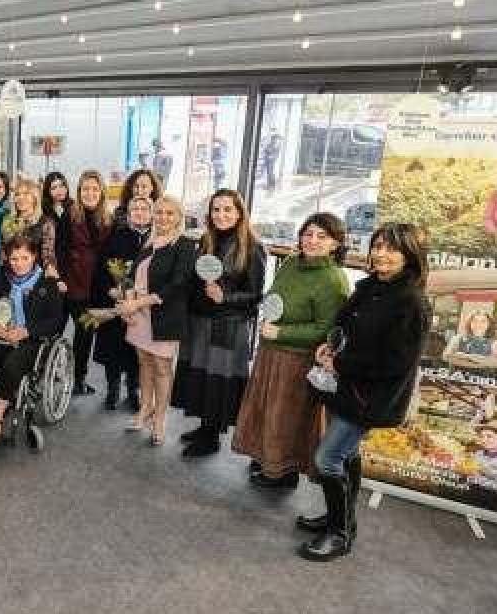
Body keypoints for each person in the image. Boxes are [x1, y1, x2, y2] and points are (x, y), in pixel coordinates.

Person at [299, 222, 431, 562]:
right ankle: (340, 519)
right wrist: (328, 346)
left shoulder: (411, 302)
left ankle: (339, 534)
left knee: (327, 458)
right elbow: (344, 326)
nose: (381, 254)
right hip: (346, 387)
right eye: (377, 246)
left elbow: (396, 363)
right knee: (346, 455)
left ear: (410, 256)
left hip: (370, 397)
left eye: (391, 248)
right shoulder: (369, 286)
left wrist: (341, 364)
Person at [232, 213, 351, 488]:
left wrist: (282, 333)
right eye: (308, 234)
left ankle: (282, 471)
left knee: (284, 417)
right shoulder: (290, 263)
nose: (312, 240)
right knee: (265, 409)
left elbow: (326, 329)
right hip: (270, 352)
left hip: (297, 360)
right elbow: (275, 298)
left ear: (335, 244)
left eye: (322, 236)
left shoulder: (333, 280)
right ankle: (264, 457)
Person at [173, 189, 266, 458]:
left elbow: (255, 295)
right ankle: (205, 427)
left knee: (218, 381)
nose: (221, 215)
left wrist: (225, 297)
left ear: (239, 213)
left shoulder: (253, 247)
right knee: (202, 376)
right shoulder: (206, 240)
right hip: (201, 321)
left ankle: (211, 436)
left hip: (228, 325)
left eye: (227, 209)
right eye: (216, 209)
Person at [0, 235, 64, 444]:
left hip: (28, 339)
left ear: (34, 257)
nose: (19, 264)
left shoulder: (47, 283)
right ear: (7, 259)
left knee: (12, 366)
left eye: (24, 258)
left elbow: (55, 321)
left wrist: (26, 331)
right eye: (14, 259)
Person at [118, 196, 196, 445]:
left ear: (179, 217)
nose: (163, 218)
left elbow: (178, 284)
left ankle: (160, 419)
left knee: (162, 368)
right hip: (140, 315)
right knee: (144, 362)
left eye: (169, 213)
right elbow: (132, 276)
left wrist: (138, 303)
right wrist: (127, 302)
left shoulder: (184, 245)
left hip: (165, 317)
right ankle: (145, 408)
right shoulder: (149, 243)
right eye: (159, 212)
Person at [91, 196, 152, 411]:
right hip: (116, 302)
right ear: (128, 214)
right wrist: (111, 290)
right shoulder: (115, 236)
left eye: (144, 209)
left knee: (137, 351)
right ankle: (112, 388)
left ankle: (133, 390)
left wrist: (141, 297)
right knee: (113, 349)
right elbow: (101, 268)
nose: (139, 212)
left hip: (143, 305)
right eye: (135, 209)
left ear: (151, 213)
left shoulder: (156, 239)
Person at [62, 171, 112, 397]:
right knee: (57, 331)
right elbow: (61, 250)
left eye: (94, 189)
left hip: (95, 287)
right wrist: (61, 280)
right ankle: (49, 372)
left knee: (85, 336)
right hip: (71, 284)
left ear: (101, 192)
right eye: (85, 189)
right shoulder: (70, 215)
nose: (90, 193)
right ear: (79, 191)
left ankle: (78, 379)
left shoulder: (108, 219)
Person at [2, 178, 60, 283]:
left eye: (26, 194)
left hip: (35, 279)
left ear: (35, 197)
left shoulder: (46, 222)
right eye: (17, 194)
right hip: (10, 277)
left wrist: (50, 269)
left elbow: (48, 253)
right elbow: (4, 250)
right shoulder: (8, 220)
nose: (21, 198)